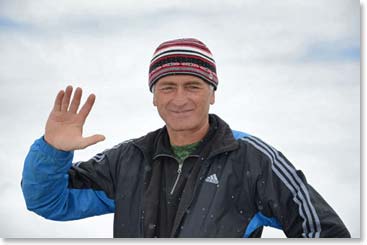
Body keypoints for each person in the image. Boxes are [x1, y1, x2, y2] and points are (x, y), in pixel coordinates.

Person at [22, 38, 350, 238]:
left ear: (213, 94)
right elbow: (50, 201)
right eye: (167, 86)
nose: (180, 99)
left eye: (193, 86)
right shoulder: (127, 160)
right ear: (154, 97)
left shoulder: (252, 159)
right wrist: (52, 151)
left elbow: (321, 230)